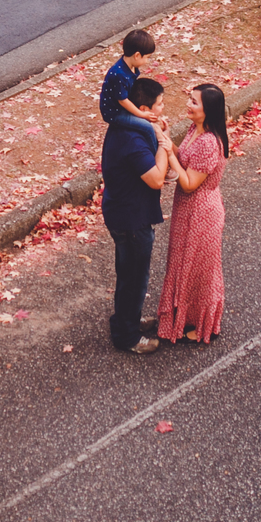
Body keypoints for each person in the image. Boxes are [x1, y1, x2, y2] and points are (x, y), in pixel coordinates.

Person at [157, 81, 229, 345]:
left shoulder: (209, 142)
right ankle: (184, 316)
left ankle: (204, 326)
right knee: (182, 263)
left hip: (201, 213)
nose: (188, 104)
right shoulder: (195, 129)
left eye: (194, 102)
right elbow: (184, 159)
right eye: (189, 98)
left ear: (208, 110)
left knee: (200, 270)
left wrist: (168, 153)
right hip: (187, 209)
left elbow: (188, 183)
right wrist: (168, 139)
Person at [100, 75, 169, 353]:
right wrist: (163, 145)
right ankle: (127, 337)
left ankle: (128, 319)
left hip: (124, 211)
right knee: (134, 278)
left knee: (129, 274)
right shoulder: (132, 140)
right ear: (144, 109)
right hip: (131, 219)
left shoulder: (127, 126)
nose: (163, 108)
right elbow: (156, 179)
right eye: (160, 104)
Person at [99, 27, 158, 126]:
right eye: (147, 57)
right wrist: (142, 115)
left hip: (123, 104)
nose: (147, 61)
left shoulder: (130, 66)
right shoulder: (119, 75)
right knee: (146, 127)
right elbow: (123, 101)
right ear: (137, 55)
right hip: (115, 112)